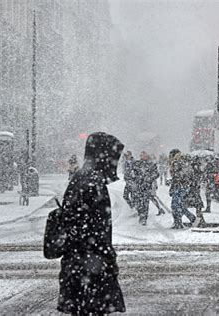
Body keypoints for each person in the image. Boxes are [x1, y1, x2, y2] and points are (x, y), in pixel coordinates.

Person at [58, 132, 126, 314]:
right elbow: (93, 231)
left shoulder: (83, 178)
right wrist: (106, 258)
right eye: (113, 157)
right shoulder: (92, 183)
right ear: (103, 155)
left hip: (81, 266)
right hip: (89, 268)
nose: (115, 163)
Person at [168, 149, 197, 229]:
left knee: (176, 205)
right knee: (178, 205)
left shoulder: (176, 163)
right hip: (183, 186)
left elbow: (177, 176)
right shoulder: (184, 162)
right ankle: (179, 222)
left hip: (179, 187)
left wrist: (174, 184)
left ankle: (189, 219)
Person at [132, 151, 160, 225]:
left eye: (145, 155)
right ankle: (141, 214)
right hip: (138, 187)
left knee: (145, 203)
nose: (143, 157)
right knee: (139, 202)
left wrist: (149, 178)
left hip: (147, 187)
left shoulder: (151, 164)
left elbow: (156, 174)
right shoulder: (137, 164)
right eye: (142, 155)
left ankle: (144, 218)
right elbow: (133, 173)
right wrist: (136, 178)